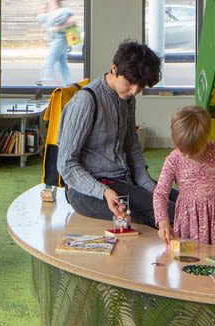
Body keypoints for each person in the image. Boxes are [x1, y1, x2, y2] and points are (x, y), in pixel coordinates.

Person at [56, 40, 173, 229]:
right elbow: (66, 164)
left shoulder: (127, 98)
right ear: (114, 69)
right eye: (130, 83)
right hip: (88, 190)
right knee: (172, 213)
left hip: (123, 180)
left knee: (184, 201)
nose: (135, 90)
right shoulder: (86, 101)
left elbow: (132, 148)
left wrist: (152, 188)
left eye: (140, 86)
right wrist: (104, 191)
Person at [153, 105, 215, 248]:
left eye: (194, 151)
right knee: (190, 259)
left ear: (206, 138)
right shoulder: (173, 160)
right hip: (189, 219)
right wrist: (163, 222)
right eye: (183, 151)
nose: (188, 155)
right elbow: (160, 193)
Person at [35, 0, 75, 87]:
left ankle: (46, 85)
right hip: (52, 40)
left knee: (49, 62)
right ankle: (69, 85)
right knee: (62, 65)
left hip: (60, 39)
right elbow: (44, 23)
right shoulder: (49, 10)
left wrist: (59, 27)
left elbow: (72, 21)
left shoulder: (63, 11)